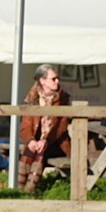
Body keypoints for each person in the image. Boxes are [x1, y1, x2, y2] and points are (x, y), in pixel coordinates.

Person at [18, 64, 72, 194]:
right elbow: (25, 126)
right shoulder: (32, 99)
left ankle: (30, 190)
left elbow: (61, 127)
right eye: (53, 79)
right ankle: (18, 190)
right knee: (28, 152)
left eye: (57, 78)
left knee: (41, 152)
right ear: (42, 81)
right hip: (37, 142)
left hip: (56, 143)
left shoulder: (63, 99)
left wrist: (45, 140)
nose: (57, 81)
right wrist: (31, 141)